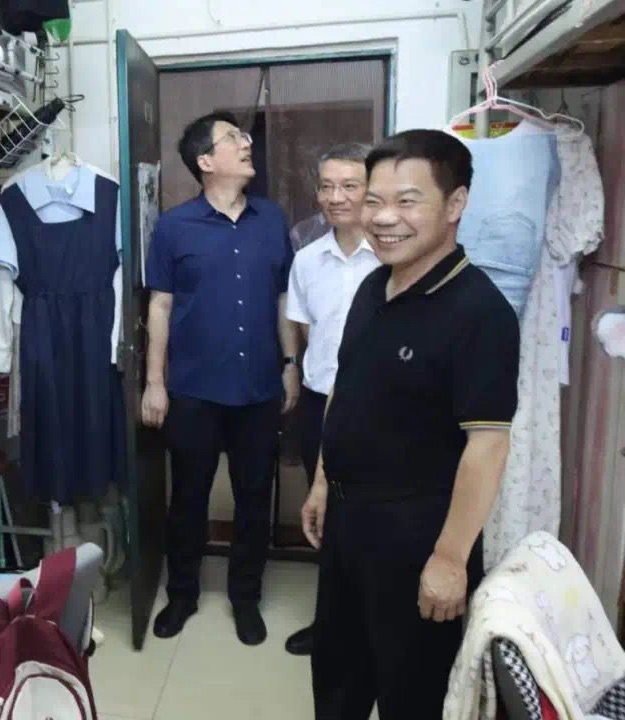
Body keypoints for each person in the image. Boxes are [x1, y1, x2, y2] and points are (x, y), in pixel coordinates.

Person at [302, 130, 520, 719]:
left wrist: (450, 559)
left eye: (407, 201)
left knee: (413, 694)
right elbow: (345, 388)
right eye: (374, 201)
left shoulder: (480, 313)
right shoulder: (373, 285)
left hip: (416, 535)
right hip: (348, 521)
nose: (383, 218)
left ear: (455, 204)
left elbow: (488, 446)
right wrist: (322, 481)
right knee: (338, 679)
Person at [142, 111, 300, 646]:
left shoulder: (271, 220)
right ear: (206, 161)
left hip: (258, 387)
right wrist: (155, 381)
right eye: (233, 138)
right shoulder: (174, 226)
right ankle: (182, 594)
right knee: (189, 497)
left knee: (254, 499)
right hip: (193, 389)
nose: (246, 143)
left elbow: (283, 298)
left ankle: (245, 598)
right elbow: (160, 305)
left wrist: (290, 363)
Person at [283, 143, 380, 657]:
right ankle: (332, 625)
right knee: (325, 515)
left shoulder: (394, 258)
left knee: (373, 519)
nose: (335, 197)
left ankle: (372, 629)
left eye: (349, 186)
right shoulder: (306, 260)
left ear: (372, 190)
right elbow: (304, 329)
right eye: (327, 186)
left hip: (380, 409)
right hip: (320, 401)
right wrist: (297, 374)